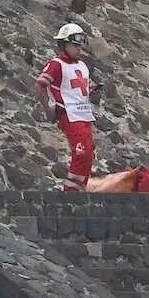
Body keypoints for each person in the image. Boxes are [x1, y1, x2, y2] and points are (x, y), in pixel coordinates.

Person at [35, 23, 103, 192]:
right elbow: (40, 85)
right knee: (82, 154)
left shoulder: (82, 66)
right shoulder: (56, 64)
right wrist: (49, 109)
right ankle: (70, 194)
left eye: (80, 45)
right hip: (69, 115)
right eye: (75, 45)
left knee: (88, 155)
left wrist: (93, 92)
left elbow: (81, 89)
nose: (78, 49)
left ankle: (79, 190)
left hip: (84, 115)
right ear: (64, 45)